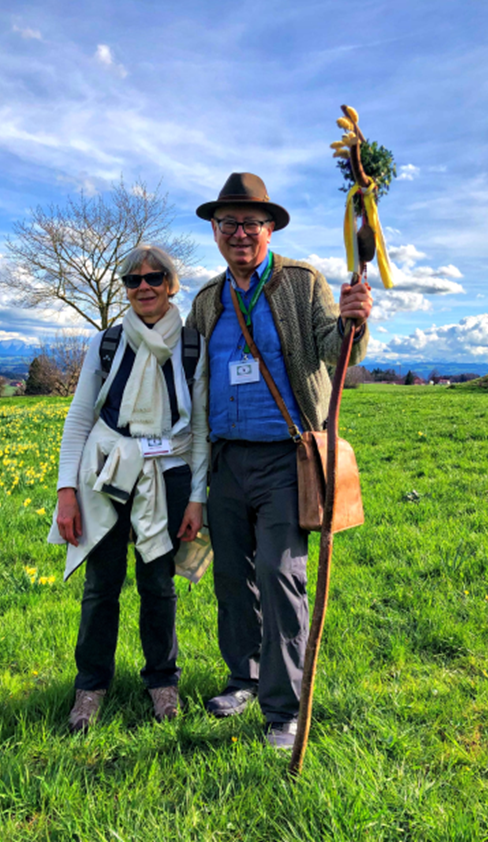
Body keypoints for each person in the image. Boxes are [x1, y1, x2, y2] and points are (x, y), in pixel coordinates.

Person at [187, 172, 372, 749]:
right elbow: (191, 378)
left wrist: (353, 319)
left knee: (280, 574)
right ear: (215, 232)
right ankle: (241, 677)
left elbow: (334, 349)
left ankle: (282, 709)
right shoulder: (206, 300)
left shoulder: (299, 282)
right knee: (230, 577)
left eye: (251, 223)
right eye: (228, 224)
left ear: (269, 229)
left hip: (285, 460)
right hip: (224, 461)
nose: (239, 233)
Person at [48, 244, 209, 731]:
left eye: (154, 278)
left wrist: (198, 497)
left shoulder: (191, 345)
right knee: (101, 586)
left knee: (159, 586)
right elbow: (80, 418)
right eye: (132, 280)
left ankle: (163, 681)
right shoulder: (108, 342)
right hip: (106, 472)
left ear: (171, 284)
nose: (143, 287)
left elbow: (199, 428)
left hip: (169, 472)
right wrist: (65, 491)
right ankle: (90, 687)